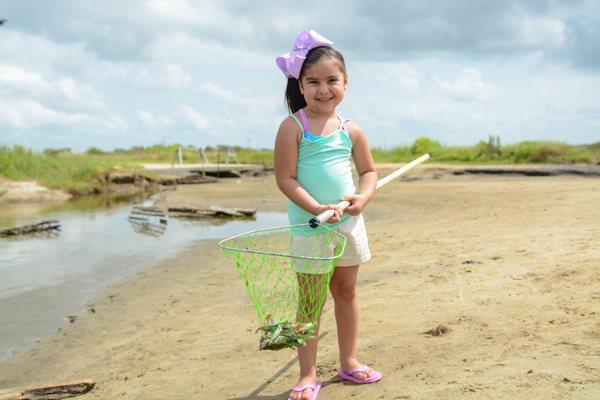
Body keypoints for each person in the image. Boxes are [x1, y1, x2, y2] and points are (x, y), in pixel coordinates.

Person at [274, 29, 382, 400]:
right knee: (309, 300)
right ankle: (307, 375)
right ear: (300, 86)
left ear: (346, 82)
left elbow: (369, 172)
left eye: (331, 81)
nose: (324, 90)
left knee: (346, 292)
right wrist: (318, 208)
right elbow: (285, 180)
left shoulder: (351, 130)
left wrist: (363, 199)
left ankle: (349, 361)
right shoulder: (293, 127)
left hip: (348, 226)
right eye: (313, 82)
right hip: (310, 228)